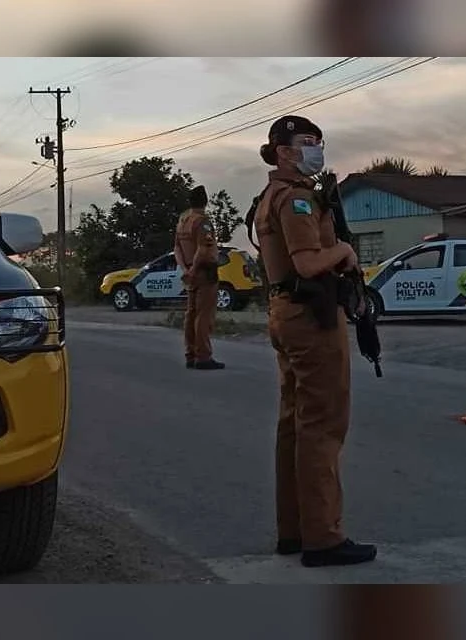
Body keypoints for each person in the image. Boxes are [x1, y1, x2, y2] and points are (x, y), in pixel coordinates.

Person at [251, 115, 377, 567]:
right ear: (283, 150)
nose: (316, 148)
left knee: (295, 424)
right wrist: (343, 252)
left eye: (319, 141)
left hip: (286, 314)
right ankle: (323, 538)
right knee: (322, 426)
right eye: (307, 142)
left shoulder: (271, 195)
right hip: (309, 316)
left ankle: (295, 531)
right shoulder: (297, 199)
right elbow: (306, 263)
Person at [173, 184, 225, 370]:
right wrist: (194, 270)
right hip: (204, 271)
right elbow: (203, 249)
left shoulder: (183, 220)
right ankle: (203, 356)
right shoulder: (202, 221)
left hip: (190, 270)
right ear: (205, 201)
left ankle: (191, 354)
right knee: (204, 315)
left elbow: (177, 248)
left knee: (191, 313)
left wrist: (185, 270)